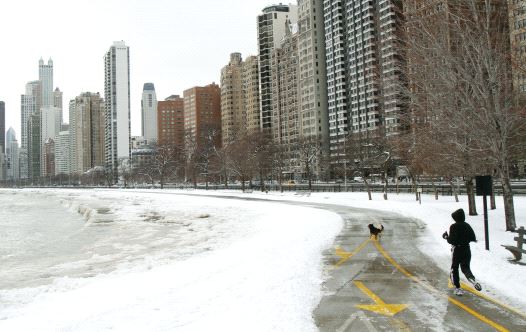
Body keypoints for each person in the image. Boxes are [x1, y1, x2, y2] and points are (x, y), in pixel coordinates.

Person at [442, 208, 482, 296]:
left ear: (456, 218)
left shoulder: (454, 226)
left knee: (454, 268)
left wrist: (446, 237)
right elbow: (473, 238)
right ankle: (472, 279)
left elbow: (452, 240)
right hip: (467, 249)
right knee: (465, 267)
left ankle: (458, 288)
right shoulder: (467, 225)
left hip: (457, 250)